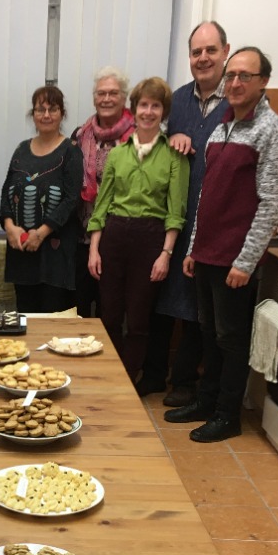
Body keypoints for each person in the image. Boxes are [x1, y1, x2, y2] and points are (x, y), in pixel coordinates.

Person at [165, 47, 278, 442]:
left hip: (235, 260)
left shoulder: (271, 131)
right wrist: (192, 249)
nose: (235, 83)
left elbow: (272, 201)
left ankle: (227, 414)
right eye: (231, 76)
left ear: (263, 82)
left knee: (232, 340)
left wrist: (246, 261)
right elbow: (206, 196)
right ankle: (206, 401)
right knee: (208, 333)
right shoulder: (222, 127)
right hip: (206, 254)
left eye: (245, 76)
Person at [137, 21, 231, 404]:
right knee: (161, 300)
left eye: (210, 50)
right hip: (172, 220)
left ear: (225, 51)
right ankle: (156, 375)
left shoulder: (238, 101)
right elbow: (158, 148)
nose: (203, 58)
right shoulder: (176, 102)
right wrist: (172, 136)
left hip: (215, 224)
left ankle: (189, 384)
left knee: (198, 308)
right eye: (196, 52)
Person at [87, 77, 189, 384]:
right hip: (114, 237)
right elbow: (101, 205)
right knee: (110, 314)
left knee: (140, 317)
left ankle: (129, 380)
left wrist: (166, 254)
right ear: (134, 108)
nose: (148, 111)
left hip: (150, 239)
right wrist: (94, 248)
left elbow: (176, 210)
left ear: (163, 111)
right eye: (143, 104)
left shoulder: (174, 155)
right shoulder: (117, 154)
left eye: (155, 105)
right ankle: (108, 374)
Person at [0, 85, 83, 312]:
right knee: (26, 320)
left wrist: (42, 233)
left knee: (51, 321)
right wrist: (9, 227)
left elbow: (71, 200)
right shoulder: (21, 149)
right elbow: (6, 192)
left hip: (54, 256)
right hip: (21, 252)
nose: (46, 115)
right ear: (33, 114)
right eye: (40, 109)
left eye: (53, 109)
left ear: (62, 114)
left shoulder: (71, 151)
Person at [72, 67, 135, 316]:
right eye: (101, 93)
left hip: (119, 236)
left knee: (112, 311)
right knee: (81, 308)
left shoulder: (138, 138)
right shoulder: (80, 135)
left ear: (124, 98)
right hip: (82, 236)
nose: (106, 99)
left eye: (113, 93)